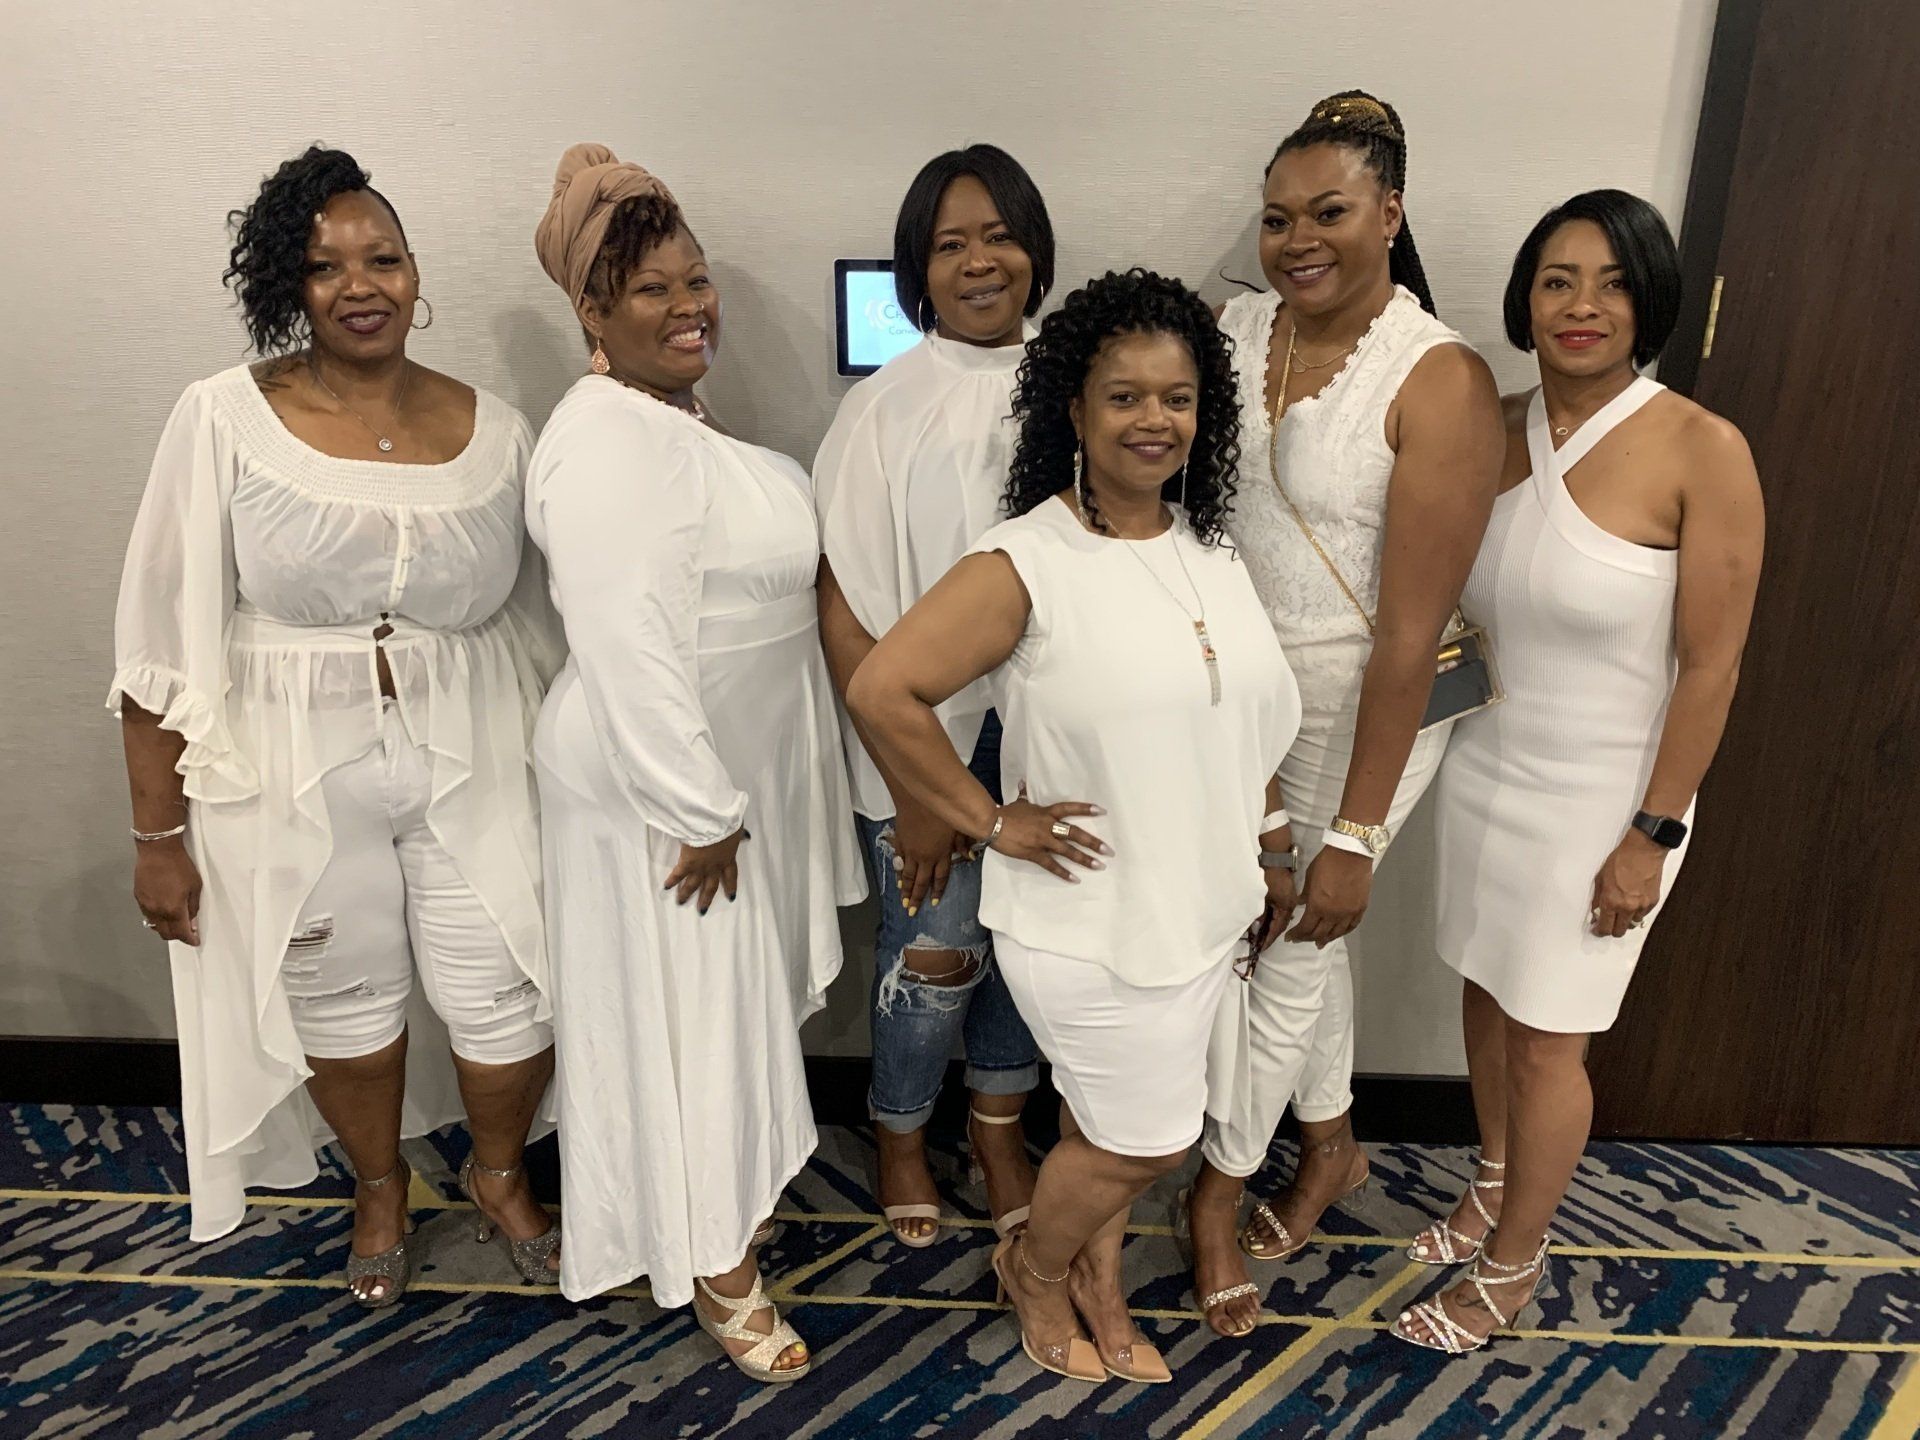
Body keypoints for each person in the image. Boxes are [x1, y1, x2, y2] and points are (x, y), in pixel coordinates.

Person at [112, 146, 563, 1306]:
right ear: (287, 286)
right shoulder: (223, 417)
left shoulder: (498, 428)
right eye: (324, 267)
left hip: (476, 756)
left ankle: (502, 1176)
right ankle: (377, 1186)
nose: (361, 285)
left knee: (509, 984)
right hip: (290, 767)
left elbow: (543, 623)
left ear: (417, 274)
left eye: (384, 258)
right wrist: (158, 836)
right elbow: (161, 633)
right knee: (341, 994)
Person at [850, 269, 1302, 1385]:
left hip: (1199, 913)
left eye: (1179, 397)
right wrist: (988, 820)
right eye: (1124, 398)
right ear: (1073, 411)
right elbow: (882, 692)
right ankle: (1040, 1270)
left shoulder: (1211, 552)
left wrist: (1275, 843)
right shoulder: (1028, 560)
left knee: (1113, 1130)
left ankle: (1095, 1274)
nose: (1156, 420)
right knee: (1142, 1139)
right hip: (1092, 924)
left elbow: (1245, 723)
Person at [1393, 190, 1763, 1353]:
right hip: (1487, 763)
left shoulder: (1705, 448)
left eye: (1609, 281)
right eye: (1558, 280)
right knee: (1487, 985)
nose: (1582, 306)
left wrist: (1651, 835)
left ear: (1649, 297)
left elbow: (1712, 667)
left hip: (1605, 798)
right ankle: (1494, 1182)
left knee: (1552, 1035)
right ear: (1526, 299)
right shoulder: (1494, 428)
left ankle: (1515, 1267)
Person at [527, 144, 865, 1383]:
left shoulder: (676, 426)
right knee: (692, 1023)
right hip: (662, 790)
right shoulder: (607, 437)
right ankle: (714, 1263)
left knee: (721, 1017)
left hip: (726, 779)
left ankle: (714, 1200)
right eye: (653, 290)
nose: (690, 308)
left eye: (698, 280)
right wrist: (699, 808)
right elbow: (628, 641)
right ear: (593, 313)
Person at [1184, 90, 1505, 1338]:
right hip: (1240, 700)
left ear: (1391, 213)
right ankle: (1333, 1148)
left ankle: (1218, 1188)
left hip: (1373, 702)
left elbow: (1414, 637)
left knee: (1298, 936)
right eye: (1276, 218)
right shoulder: (1232, 326)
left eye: (1329, 211)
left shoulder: (1442, 377)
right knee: (1282, 928)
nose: (1298, 238)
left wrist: (1361, 834)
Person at [814, 144, 1056, 1249]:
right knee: (936, 953)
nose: (979, 261)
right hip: (929, 738)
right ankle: (903, 1130)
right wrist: (919, 783)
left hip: (1055, 730)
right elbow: (844, 613)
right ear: (917, 268)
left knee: (1038, 940)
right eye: (949, 243)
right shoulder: (881, 409)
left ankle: (1000, 1127)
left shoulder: (1083, 381)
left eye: (1000, 234)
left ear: (1036, 249)